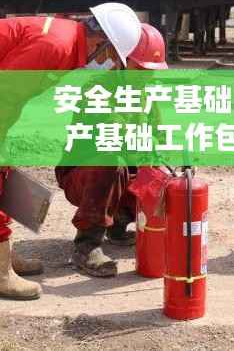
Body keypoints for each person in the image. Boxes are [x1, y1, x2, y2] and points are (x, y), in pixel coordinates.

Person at [0, 3, 142, 300]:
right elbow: (5, 92)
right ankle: (1, 274)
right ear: (98, 41)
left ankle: (4, 257)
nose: (109, 65)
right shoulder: (56, 46)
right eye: (111, 56)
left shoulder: (65, 45)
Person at [55, 24, 168, 278]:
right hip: (86, 175)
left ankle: (118, 223)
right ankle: (87, 245)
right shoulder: (97, 90)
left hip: (120, 172)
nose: (147, 76)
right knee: (112, 160)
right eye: (141, 69)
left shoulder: (147, 95)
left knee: (162, 175)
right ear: (122, 60)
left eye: (151, 71)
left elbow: (159, 139)